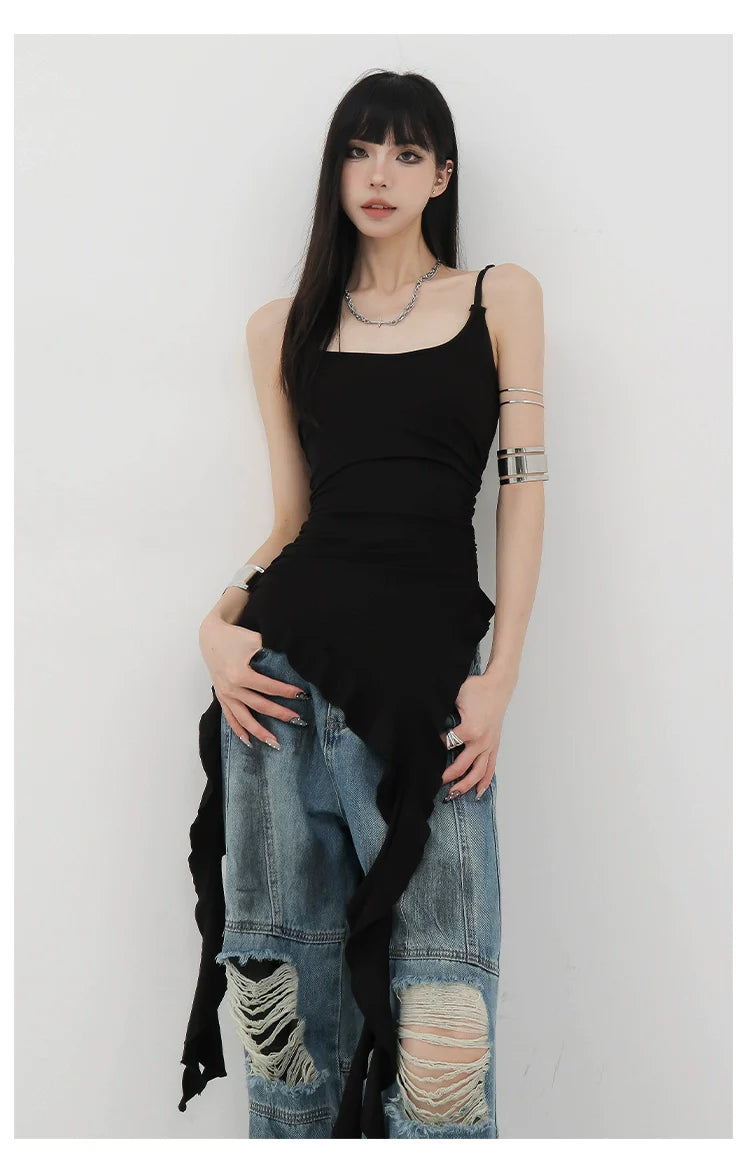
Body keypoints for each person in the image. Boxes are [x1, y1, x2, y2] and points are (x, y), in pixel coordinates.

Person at [178, 68, 547, 1139]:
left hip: (432, 691)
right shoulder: (281, 326)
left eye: (405, 152)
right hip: (279, 684)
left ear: (442, 175)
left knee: (442, 1044)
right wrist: (215, 624)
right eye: (358, 150)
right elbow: (293, 518)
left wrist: (502, 676)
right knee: (285, 1022)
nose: (379, 173)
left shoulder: (499, 297)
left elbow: (524, 488)